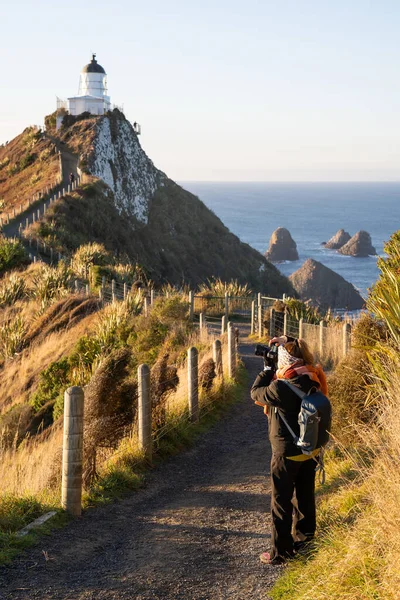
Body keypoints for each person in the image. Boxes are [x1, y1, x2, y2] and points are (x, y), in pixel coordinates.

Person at [250, 334, 328, 565]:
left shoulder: (279, 387)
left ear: (283, 361)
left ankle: (280, 552)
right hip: (310, 450)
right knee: (305, 497)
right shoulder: (312, 377)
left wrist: (266, 369)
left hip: (285, 453)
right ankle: (305, 543)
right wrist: (288, 340)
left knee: (281, 501)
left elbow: (255, 392)